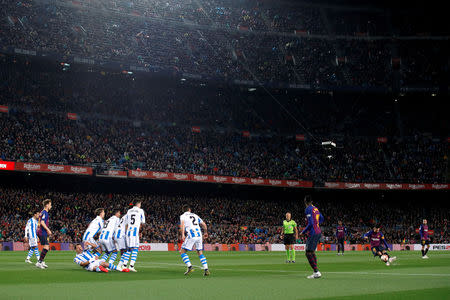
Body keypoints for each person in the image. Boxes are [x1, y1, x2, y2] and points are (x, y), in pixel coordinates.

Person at [179, 204, 210, 276]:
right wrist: (205, 232)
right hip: (199, 235)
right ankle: (206, 269)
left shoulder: (182, 216)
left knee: (182, 251)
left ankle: (190, 267)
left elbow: (182, 225)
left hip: (191, 235)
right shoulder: (195, 215)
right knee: (200, 252)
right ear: (189, 210)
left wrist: (183, 234)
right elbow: (204, 224)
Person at [300, 195, 323, 279]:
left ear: (305, 201)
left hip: (313, 232)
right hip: (318, 231)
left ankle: (316, 271)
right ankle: (315, 272)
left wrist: (303, 232)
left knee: (308, 252)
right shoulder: (315, 208)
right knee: (312, 251)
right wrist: (317, 225)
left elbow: (310, 224)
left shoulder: (308, 209)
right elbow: (322, 218)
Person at [122, 201, 145, 272]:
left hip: (128, 231)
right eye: (140, 204)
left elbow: (126, 224)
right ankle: (129, 265)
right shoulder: (140, 210)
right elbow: (143, 222)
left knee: (130, 248)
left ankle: (126, 265)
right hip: (134, 232)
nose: (140, 205)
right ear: (138, 204)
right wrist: (140, 232)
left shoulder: (129, 211)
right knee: (134, 248)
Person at [36, 199, 52, 269]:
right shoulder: (45, 212)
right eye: (50, 204)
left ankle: (41, 261)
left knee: (46, 246)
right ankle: (39, 262)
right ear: (47, 205)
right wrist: (48, 229)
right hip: (42, 232)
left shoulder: (42, 212)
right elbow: (42, 222)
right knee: (46, 247)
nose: (51, 206)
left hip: (41, 231)